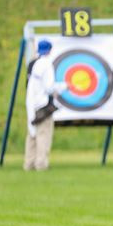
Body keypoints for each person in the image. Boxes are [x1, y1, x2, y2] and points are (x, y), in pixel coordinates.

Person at [24, 39, 66, 171]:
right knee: (43, 134)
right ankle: (41, 164)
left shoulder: (34, 63)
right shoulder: (46, 64)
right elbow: (49, 87)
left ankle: (29, 163)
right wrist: (64, 86)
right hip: (42, 105)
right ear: (50, 50)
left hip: (32, 103)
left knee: (32, 134)